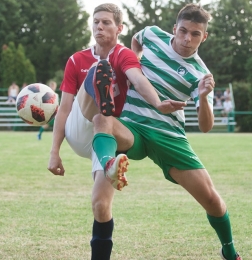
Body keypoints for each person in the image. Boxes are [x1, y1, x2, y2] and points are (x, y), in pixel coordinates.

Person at [91, 3, 242, 260]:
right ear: (174, 28)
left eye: (195, 34)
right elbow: (135, 40)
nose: (187, 38)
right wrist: (135, 60)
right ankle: (109, 165)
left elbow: (206, 127)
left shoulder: (200, 73)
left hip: (169, 137)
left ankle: (229, 250)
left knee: (213, 202)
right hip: (133, 128)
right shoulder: (151, 34)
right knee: (101, 119)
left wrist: (204, 98)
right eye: (183, 31)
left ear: (204, 36)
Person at [47, 3, 185, 260]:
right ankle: (98, 83)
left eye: (106, 22)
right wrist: (54, 152)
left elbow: (139, 80)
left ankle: (109, 161)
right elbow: (63, 109)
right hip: (80, 128)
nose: (99, 26)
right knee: (98, 75)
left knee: (101, 205)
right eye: (96, 21)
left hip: (107, 139)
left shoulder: (124, 55)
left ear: (120, 28)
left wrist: (157, 103)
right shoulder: (77, 60)